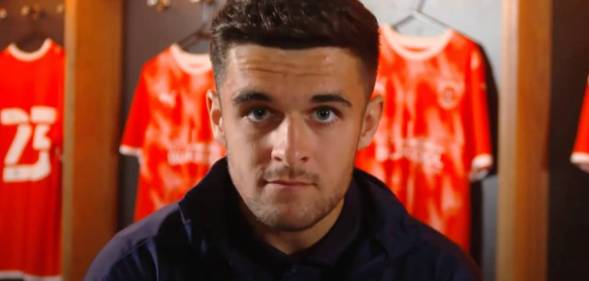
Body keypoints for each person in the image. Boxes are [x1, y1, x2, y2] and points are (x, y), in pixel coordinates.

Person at [85, 0, 481, 280]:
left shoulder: (439, 272)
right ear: (218, 118)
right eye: (258, 112)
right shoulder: (136, 268)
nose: (289, 150)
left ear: (368, 123)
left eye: (324, 113)